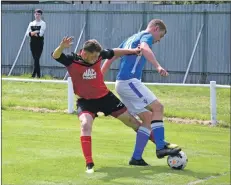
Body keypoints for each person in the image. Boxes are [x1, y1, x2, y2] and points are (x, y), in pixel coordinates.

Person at [52, 36, 148, 173]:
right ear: (84, 53)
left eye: (97, 56)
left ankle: (162, 146)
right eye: (92, 56)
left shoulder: (98, 55)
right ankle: (89, 163)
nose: (95, 59)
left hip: (105, 98)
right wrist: (62, 46)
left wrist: (133, 51)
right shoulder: (71, 60)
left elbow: (114, 52)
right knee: (85, 124)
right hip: (86, 102)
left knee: (133, 122)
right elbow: (56, 55)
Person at [101, 19, 181, 165]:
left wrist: (100, 76)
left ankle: (136, 158)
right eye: (160, 36)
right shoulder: (147, 36)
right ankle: (161, 146)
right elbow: (144, 48)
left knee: (148, 118)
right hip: (129, 81)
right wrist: (157, 66)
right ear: (156, 29)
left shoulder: (131, 38)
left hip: (122, 83)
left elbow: (111, 56)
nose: (158, 40)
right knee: (158, 108)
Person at [26, 9, 46, 78]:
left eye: (39, 14)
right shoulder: (31, 23)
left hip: (39, 43)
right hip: (32, 43)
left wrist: (32, 33)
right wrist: (35, 32)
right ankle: (36, 75)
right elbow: (27, 34)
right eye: (36, 14)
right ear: (34, 14)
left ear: (41, 15)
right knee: (35, 59)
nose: (37, 15)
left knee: (37, 58)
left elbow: (40, 34)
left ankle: (37, 75)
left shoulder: (43, 23)